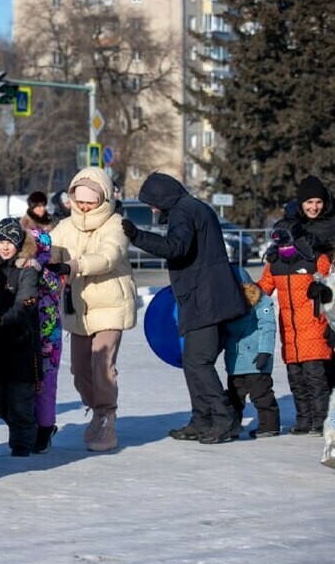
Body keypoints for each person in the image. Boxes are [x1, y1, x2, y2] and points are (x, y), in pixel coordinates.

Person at [123, 171, 247, 444]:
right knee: (194, 363)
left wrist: (136, 235)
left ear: (163, 197)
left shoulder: (183, 212)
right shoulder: (195, 207)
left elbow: (175, 247)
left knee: (197, 362)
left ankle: (224, 419)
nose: (153, 209)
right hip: (205, 296)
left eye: (153, 203)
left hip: (205, 298)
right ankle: (201, 418)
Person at [50, 168, 136, 452]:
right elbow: (49, 251)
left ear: (104, 198)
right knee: (79, 370)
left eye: (91, 201)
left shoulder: (115, 224)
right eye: (80, 200)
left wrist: (75, 266)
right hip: (78, 308)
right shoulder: (65, 226)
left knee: (102, 365)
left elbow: (108, 256)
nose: (85, 206)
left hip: (110, 305)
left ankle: (107, 416)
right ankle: (96, 409)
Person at [259, 221, 331, 435]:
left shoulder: (316, 259)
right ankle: (303, 420)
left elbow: (331, 283)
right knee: (296, 380)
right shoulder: (274, 263)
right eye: (278, 243)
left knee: (316, 379)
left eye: (286, 241)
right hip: (290, 333)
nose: (283, 248)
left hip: (314, 329)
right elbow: (263, 288)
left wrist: (324, 290)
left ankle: (321, 421)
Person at [0, 218, 39, 456]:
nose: (5, 246)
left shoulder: (28, 269)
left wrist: (0, 319)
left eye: (11, 242)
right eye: (1, 240)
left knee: (19, 399)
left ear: (19, 244)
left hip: (21, 342)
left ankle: (23, 444)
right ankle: (20, 428)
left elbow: (26, 303)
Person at [224, 267, 279, 439]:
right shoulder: (226, 306)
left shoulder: (262, 302)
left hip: (256, 359)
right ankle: (232, 425)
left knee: (262, 395)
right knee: (234, 397)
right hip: (235, 361)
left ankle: (269, 425)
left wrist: (265, 351)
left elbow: (268, 327)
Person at [29, 228, 63, 453]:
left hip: (48, 335)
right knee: (29, 383)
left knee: (45, 384)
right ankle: (32, 427)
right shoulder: (20, 265)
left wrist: (41, 269)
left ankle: (45, 429)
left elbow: (56, 286)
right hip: (26, 332)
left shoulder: (47, 269)